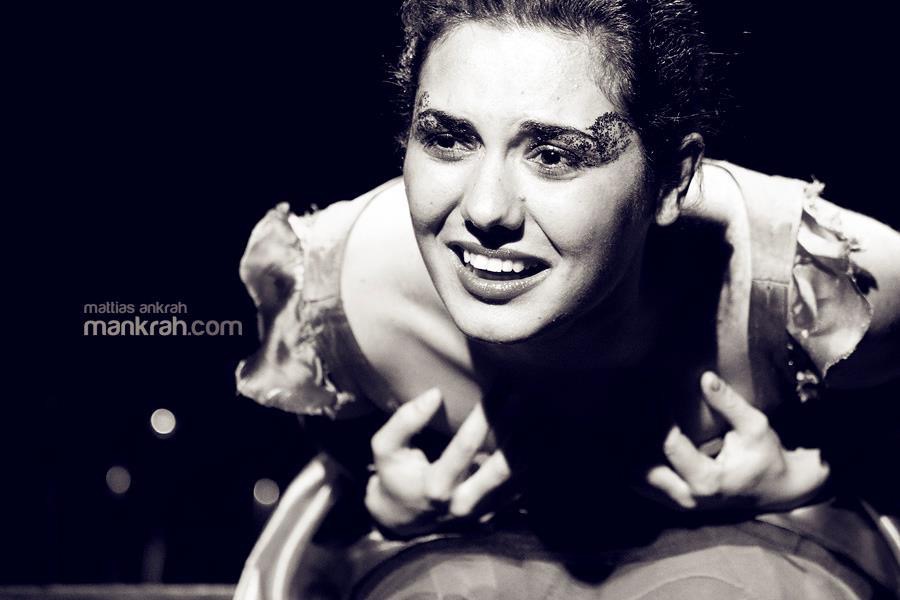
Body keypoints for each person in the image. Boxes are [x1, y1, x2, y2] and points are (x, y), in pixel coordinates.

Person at [233, 1, 900, 598]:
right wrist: (383, 498)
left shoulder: (813, 283)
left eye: (553, 154)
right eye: (448, 139)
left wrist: (805, 475)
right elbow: (339, 448)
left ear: (673, 180)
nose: (485, 210)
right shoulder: (335, 300)